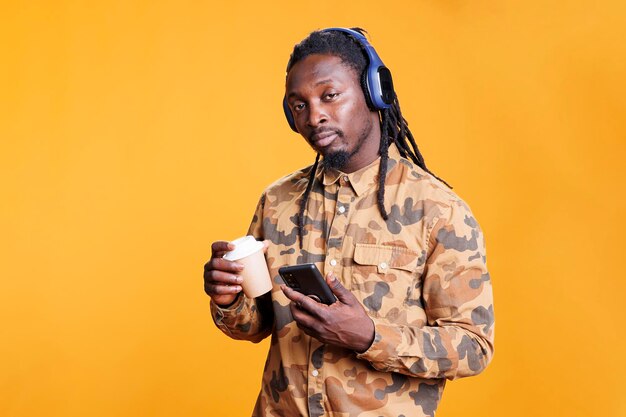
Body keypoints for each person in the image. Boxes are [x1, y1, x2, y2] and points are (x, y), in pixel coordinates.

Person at [204, 27, 494, 417]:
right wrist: (230, 300)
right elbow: (257, 325)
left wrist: (370, 337)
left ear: (374, 92)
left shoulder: (438, 209)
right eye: (299, 104)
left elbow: (474, 346)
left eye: (330, 95)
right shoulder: (277, 201)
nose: (315, 115)